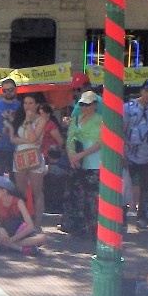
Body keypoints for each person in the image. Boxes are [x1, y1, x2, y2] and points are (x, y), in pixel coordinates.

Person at [63, 89, 103, 237]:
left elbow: (100, 143)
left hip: (93, 162)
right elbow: (69, 138)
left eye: (88, 104)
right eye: (82, 104)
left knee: (92, 197)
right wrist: (72, 157)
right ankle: (76, 226)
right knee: (76, 195)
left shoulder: (101, 120)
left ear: (95, 105)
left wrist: (80, 155)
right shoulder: (75, 119)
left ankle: (92, 228)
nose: (85, 107)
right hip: (76, 163)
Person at [124, 79, 148, 230]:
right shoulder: (128, 106)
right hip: (130, 153)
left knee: (146, 187)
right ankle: (122, 215)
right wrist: (123, 151)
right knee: (125, 185)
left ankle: (143, 216)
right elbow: (123, 128)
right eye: (147, 90)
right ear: (141, 90)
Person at [0, 175, 47, 253]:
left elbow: (30, 226)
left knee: (43, 238)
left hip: (19, 232)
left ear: (4, 191)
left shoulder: (18, 201)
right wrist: (1, 229)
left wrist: (12, 239)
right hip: (4, 233)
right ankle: (19, 248)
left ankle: (6, 245)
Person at [9, 94, 49, 224]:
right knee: (20, 190)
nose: (28, 106)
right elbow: (13, 138)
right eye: (25, 103)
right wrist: (26, 140)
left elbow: (33, 138)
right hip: (20, 156)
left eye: (31, 103)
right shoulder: (18, 118)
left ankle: (37, 222)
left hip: (35, 156)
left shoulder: (41, 120)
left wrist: (28, 121)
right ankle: (22, 220)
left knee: (37, 191)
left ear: (37, 105)